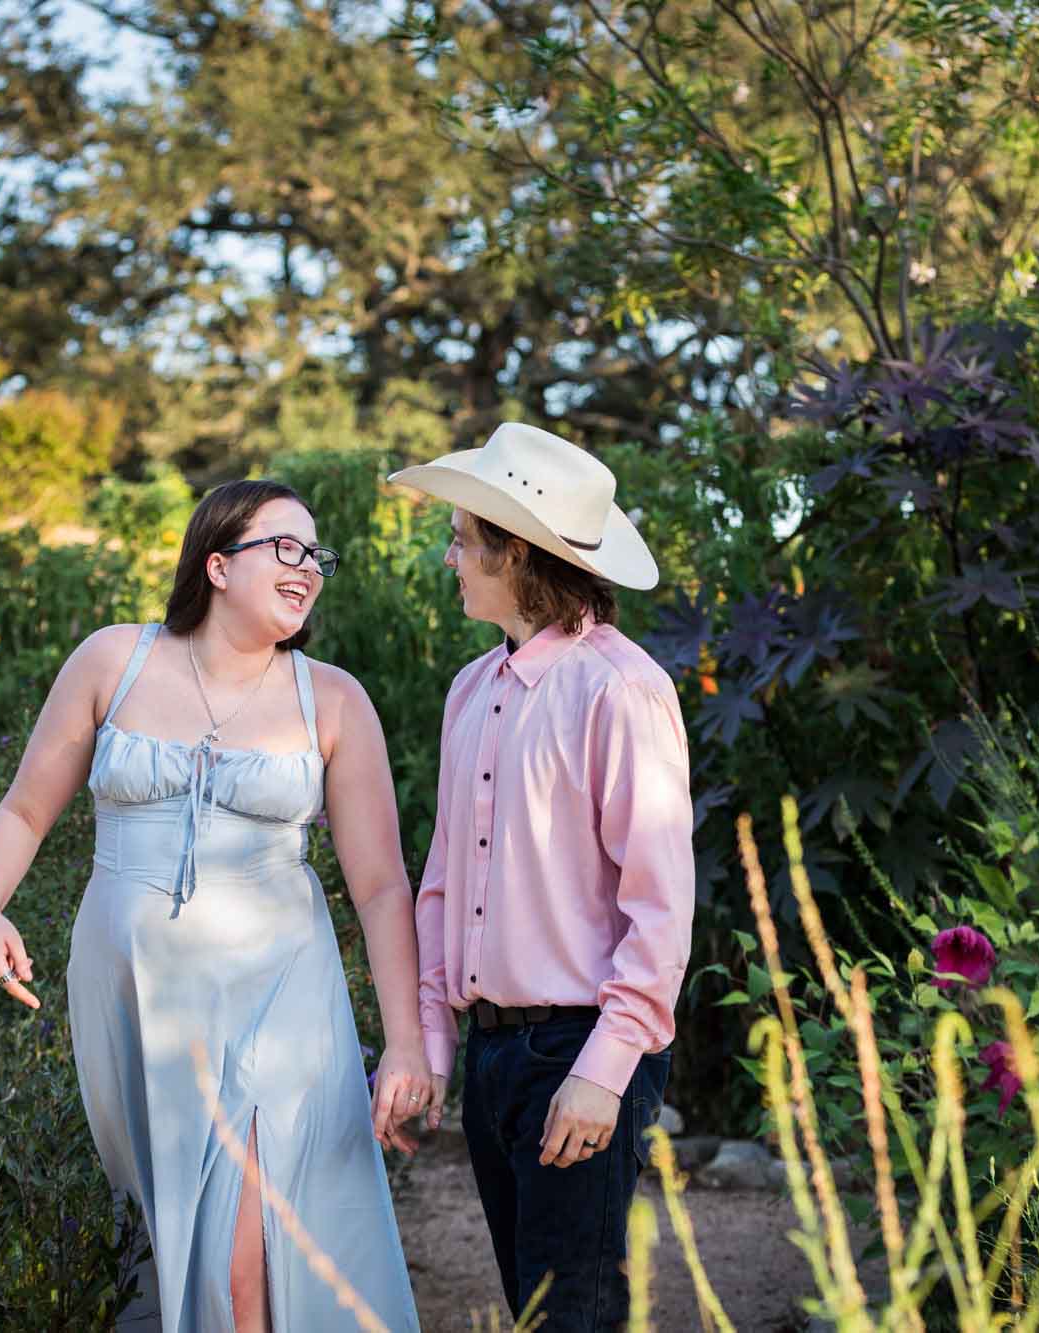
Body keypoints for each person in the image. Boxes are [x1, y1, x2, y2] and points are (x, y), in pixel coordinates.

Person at [0, 480, 428, 1333]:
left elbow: (381, 884)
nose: (309, 567)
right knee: (173, 1243)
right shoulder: (114, 660)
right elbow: (24, 809)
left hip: (280, 1002)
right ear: (217, 564)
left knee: (240, 1265)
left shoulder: (331, 699)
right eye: (285, 546)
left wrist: (405, 1041)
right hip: (137, 1003)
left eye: (316, 554)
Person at [390, 422, 695, 1331]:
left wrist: (605, 1071)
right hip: (492, 1057)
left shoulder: (620, 690)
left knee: (575, 1314)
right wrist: (438, 1049)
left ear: (513, 551)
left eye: (461, 539)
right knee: (532, 1307)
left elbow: (661, 904)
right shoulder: (468, 689)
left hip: (582, 1050)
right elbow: (443, 881)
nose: (450, 556)